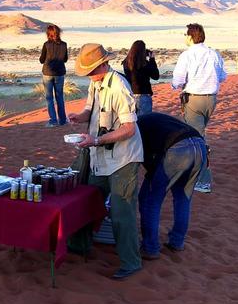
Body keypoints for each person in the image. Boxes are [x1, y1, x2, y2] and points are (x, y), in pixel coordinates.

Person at [68, 43, 144, 280]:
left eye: (91, 71)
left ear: (103, 64)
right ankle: (78, 247)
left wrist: (96, 141)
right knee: (87, 201)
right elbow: (89, 111)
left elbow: (129, 128)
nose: (89, 76)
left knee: (122, 212)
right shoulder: (96, 85)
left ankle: (131, 262)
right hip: (99, 158)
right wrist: (77, 118)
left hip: (123, 160)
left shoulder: (119, 87)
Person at [137, 112, 207, 259]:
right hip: (200, 146)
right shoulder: (151, 118)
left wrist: (151, 176)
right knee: (183, 197)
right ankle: (177, 241)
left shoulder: (135, 128)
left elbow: (145, 158)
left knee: (149, 199)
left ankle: (150, 247)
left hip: (178, 150)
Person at [171, 23, 227, 193]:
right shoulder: (214, 54)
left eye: (185, 35)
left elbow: (178, 80)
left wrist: (176, 86)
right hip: (211, 100)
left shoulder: (187, 55)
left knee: (197, 138)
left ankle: (203, 180)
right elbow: (222, 76)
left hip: (193, 100)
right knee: (198, 135)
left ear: (190, 36)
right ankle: (192, 172)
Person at [39, 24, 68, 127]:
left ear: (49, 34)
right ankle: (63, 120)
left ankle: (53, 121)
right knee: (59, 97)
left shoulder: (46, 45)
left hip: (48, 73)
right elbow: (65, 59)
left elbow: (41, 60)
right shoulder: (64, 44)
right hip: (60, 73)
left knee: (49, 98)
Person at [121, 40, 159, 115]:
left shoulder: (126, 62)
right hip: (144, 95)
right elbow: (156, 76)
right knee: (145, 121)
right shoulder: (144, 64)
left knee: (134, 121)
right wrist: (152, 60)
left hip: (130, 94)